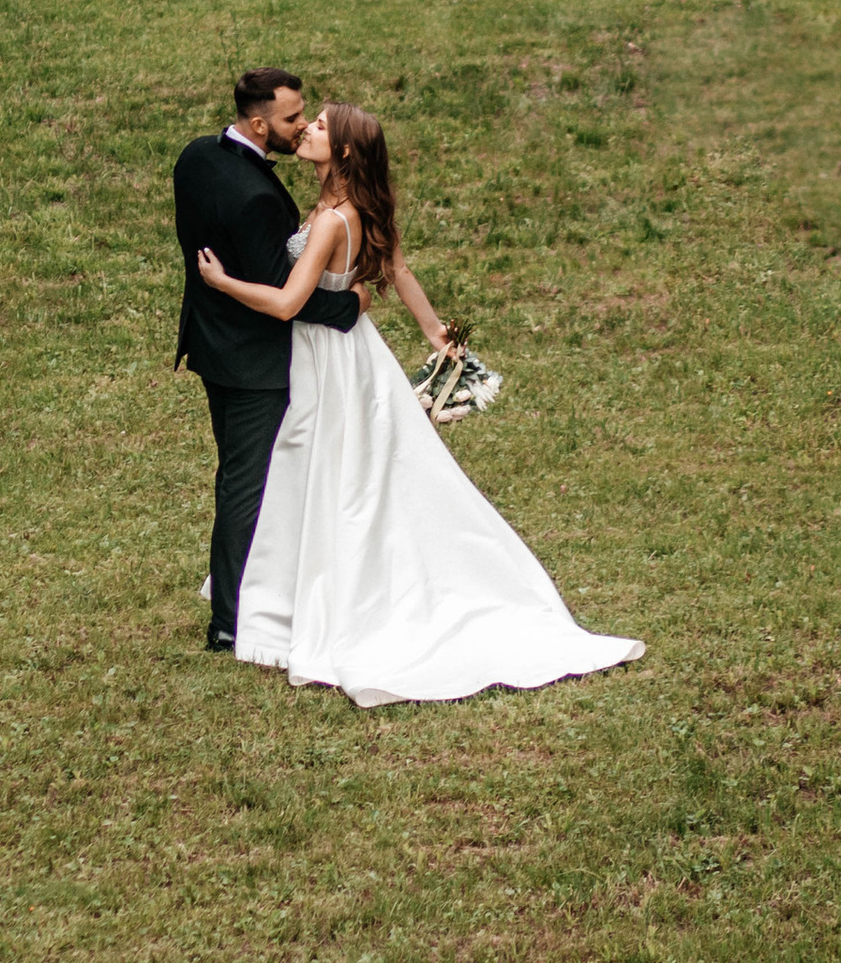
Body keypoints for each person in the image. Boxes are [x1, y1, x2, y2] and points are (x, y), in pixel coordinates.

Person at [196, 101, 641, 710]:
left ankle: (315, 599)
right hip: (356, 355)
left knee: (327, 473)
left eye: (320, 125)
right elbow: (398, 270)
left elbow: (284, 304)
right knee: (347, 472)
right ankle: (292, 592)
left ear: (345, 151)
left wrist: (220, 284)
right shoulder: (354, 207)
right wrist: (435, 334)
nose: (307, 129)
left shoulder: (330, 221)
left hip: (322, 358)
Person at [172, 70, 360, 654]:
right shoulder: (256, 196)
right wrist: (351, 307)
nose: (300, 124)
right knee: (245, 487)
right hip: (256, 365)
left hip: (210, 348)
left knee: (239, 477)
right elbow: (286, 294)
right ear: (259, 124)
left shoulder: (196, 156)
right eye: (289, 118)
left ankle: (261, 590)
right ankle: (230, 621)